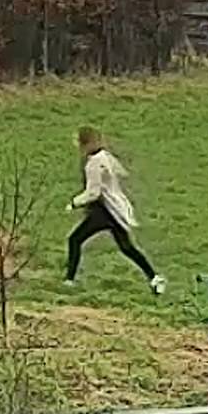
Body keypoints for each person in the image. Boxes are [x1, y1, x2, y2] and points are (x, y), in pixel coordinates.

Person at [64, 126, 166, 295]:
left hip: (103, 211)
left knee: (75, 239)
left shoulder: (93, 164)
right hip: (115, 210)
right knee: (126, 247)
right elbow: (120, 172)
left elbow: (93, 192)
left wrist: (74, 203)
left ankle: (69, 279)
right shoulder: (105, 157)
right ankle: (154, 277)